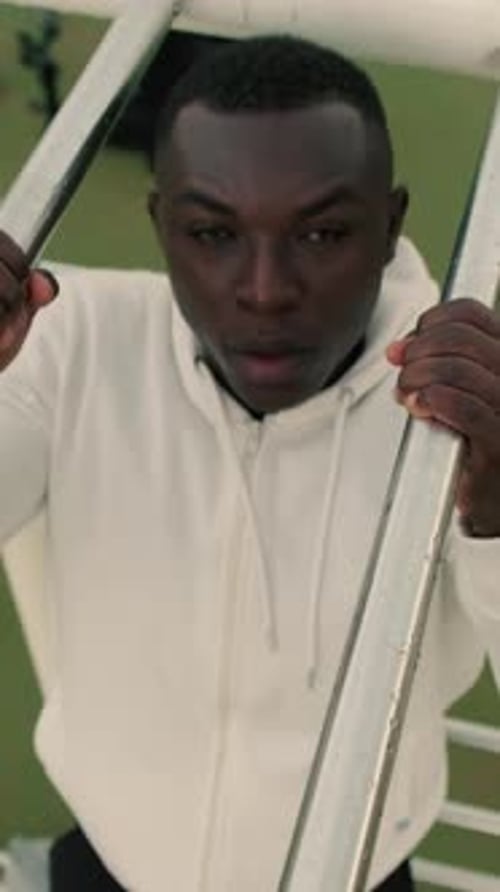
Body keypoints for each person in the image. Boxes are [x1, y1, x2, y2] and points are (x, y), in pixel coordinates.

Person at [0, 34, 499, 892]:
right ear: (161, 226)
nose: (265, 289)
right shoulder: (66, 343)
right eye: (212, 232)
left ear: (390, 227)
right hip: (113, 862)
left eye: (323, 231)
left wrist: (498, 509)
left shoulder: (466, 403)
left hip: (358, 867)